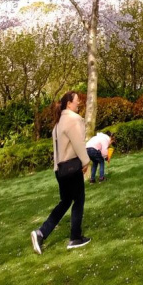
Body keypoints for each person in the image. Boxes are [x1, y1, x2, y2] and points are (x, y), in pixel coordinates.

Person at [30, 91, 91, 254]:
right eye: (77, 100)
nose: (79, 103)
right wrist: (86, 161)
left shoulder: (58, 123)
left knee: (65, 202)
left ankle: (41, 233)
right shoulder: (72, 119)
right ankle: (75, 238)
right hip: (71, 169)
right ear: (69, 103)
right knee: (79, 200)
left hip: (60, 170)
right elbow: (78, 143)